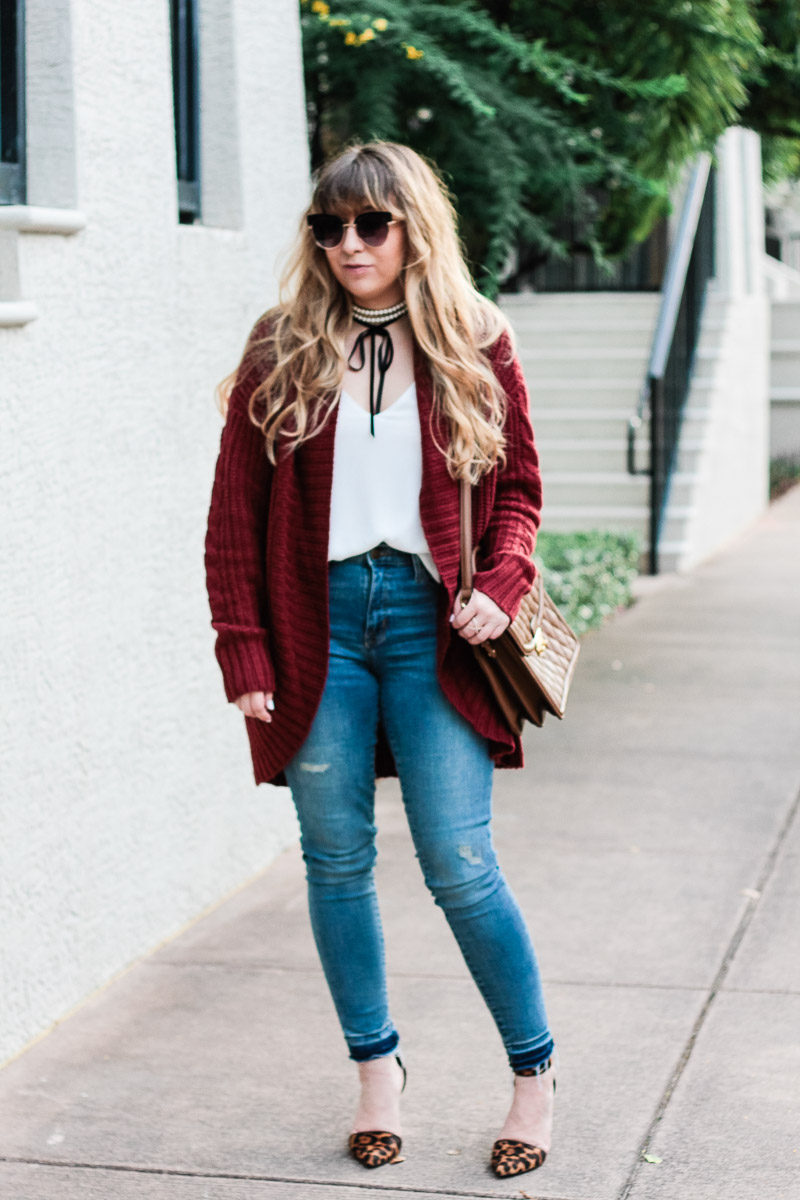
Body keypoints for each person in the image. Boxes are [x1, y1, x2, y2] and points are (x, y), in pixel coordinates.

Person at [204, 140, 556, 1179]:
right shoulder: (281, 347)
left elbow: (522, 493)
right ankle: (375, 1071)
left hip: (429, 622)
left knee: (458, 861)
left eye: (370, 223)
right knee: (336, 860)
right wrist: (242, 645)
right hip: (315, 621)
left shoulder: (471, 338)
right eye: (328, 225)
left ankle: (532, 1078)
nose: (347, 244)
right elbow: (234, 516)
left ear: (412, 227)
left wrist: (499, 587)